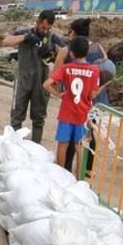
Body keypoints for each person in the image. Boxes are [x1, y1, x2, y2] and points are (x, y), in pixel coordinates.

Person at [3, 10, 65, 144]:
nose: (45, 30)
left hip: (41, 83)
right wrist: (26, 38)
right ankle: (13, 145)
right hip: (23, 80)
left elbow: (66, 51)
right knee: (17, 115)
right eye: (43, 27)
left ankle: (35, 147)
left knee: (39, 118)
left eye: (48, 28)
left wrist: (54, 56)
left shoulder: (52, 37)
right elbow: (6, 41)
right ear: (37, 22)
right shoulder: (25, 33)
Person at [43, 36, 104, 171]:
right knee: (79, 146)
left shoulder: (66, 68)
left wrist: (58, 94)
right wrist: (104, 85)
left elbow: (46, 84)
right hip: (82, 113)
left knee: (63, 144)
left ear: (71, 52)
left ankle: (60, 174)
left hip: (66, 112)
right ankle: (79, 178)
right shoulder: (94, 70)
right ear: (86, 52)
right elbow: (92, 95)